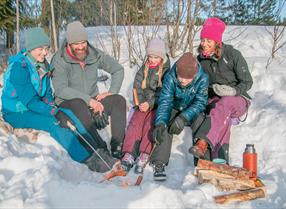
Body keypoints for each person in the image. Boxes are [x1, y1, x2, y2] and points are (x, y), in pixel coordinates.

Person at [1, 27, 117, 173]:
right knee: (54, 122)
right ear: (30, 48)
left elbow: (47, 94)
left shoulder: (43, 65)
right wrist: (54, 112)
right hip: (17, 112)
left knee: (70, 114)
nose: (45, 52)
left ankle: (98, 150)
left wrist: (54, 107)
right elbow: (29, 101)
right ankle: (88, 159)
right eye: (40, 49)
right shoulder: (20, 68)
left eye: (46, 48)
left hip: (35, 106)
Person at [51, 21, 126, 159]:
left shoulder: (94, 55)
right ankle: (100, 147)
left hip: (91, 102)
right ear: (68, 43)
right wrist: (89, 100)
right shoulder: (59, 59)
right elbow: (61, 89)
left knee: (119, 100)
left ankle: (117, 147)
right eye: (76, 43)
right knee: (79, 103)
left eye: (83, 42)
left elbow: (118, 69)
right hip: (69, 103)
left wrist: (112, 91)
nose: (80, 47)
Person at [188, 17, 253, 165]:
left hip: (238, 99)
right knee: (212, 112)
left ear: (217, 42)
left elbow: (248, 82)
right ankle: (217, 161)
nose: (204, 44)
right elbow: (200, 84)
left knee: (225, 103)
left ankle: (203, 142)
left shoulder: (232, 55)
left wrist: (233, 91)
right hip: (216, 100)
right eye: (203, 40)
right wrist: (211, 89)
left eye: (208, 41)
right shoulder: (201, 60)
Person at [151, 52, 209, 181]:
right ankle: (159, 162)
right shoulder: (170, 77)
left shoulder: (203, 78)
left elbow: (200, 102)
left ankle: (202, 162)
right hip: (175, 107)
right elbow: (165, 101)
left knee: (201, 120)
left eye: (186, 78)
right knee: (164, 126)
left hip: (192, 110)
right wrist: (160, 123)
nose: (182, 80)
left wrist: (183, 118)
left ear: (194, 76)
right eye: (180, 76)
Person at [120, 38, 170, 174]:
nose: (152, 60)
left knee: (149, 124)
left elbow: (165, 93)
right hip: (142, 104)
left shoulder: (167, 72)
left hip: (156, 105)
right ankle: (129, 153)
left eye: (156, 57)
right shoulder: (144, 68)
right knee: (135, 123)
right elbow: (137, 87)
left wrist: (150, 103)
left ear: (162, 56)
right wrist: (140, 102)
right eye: (150, 56)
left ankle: (145, 153)